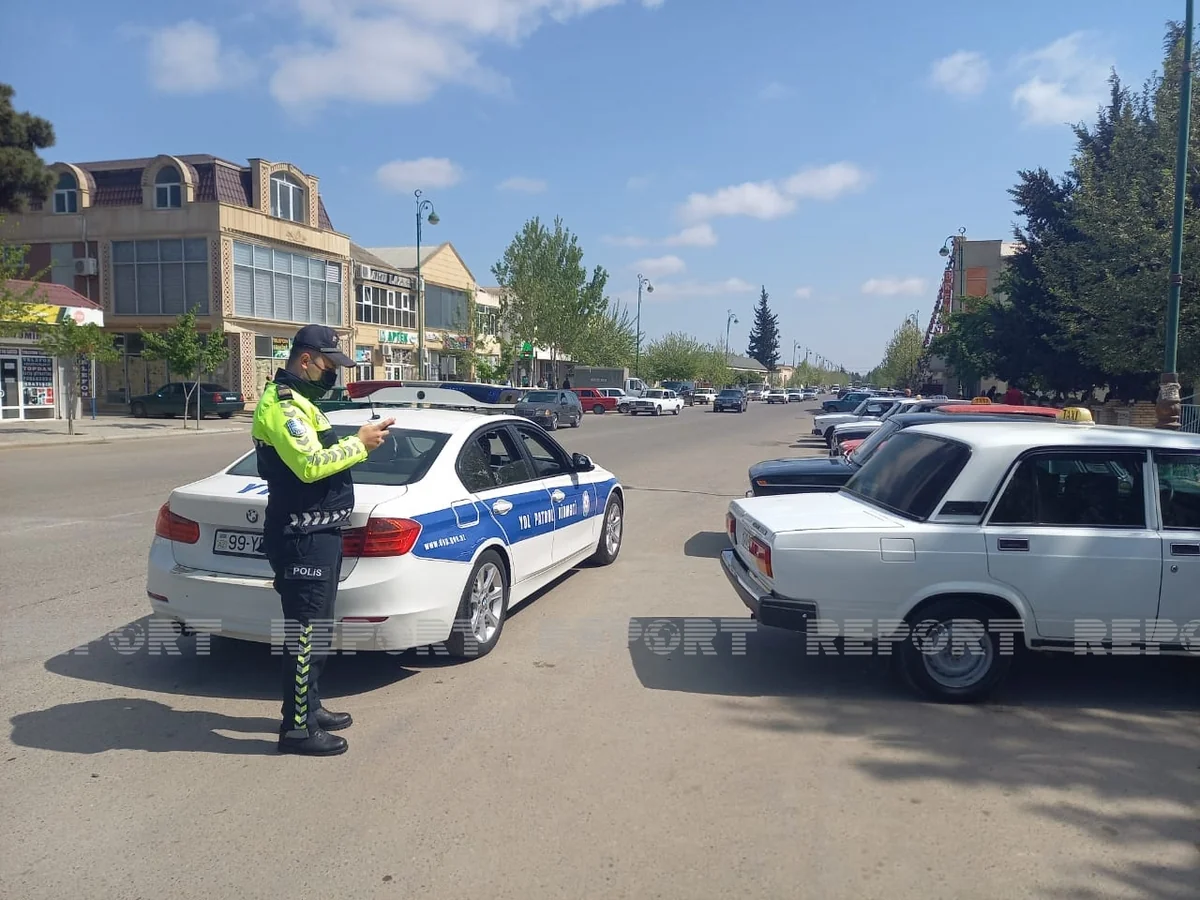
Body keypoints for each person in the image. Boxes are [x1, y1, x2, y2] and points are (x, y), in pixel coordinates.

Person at [252, 324, 395, 757]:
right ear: (305, 359)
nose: (333, 373)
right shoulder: (282, 406)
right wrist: (359, 444)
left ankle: (309, 708)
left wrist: (359, 442)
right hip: (301, 535)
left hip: (320, 532)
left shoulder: (302, 403)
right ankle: (297, 730)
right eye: (328, 364)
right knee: (304, 637)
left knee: (317, 632)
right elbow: (310, 466)